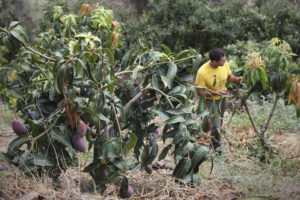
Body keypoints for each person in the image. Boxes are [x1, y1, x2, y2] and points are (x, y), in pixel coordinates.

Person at [195, 47, 242, 154]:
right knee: (216, 126)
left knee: (219, 124)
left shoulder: (224, 64)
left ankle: (215, 147)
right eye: (222, 59)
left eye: (224, 57)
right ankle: (217, 152)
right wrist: (216, 92)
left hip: (221, 99)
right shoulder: (202, 72)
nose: (225, 60)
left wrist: (240, 79)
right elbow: (199, 92)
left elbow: (230, 77)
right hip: (209, 100)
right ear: (214, 61)